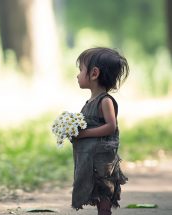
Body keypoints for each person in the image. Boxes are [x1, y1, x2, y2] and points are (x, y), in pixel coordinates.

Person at [72, 47, 129, 215]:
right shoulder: (90, 101)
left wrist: (84, 134)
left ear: (94, 73)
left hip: (101, 158)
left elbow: (111, 126)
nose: (77, 75)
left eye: (81, 70)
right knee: (95, 188)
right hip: (89, 156)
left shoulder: (105, 101)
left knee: (103, 188)